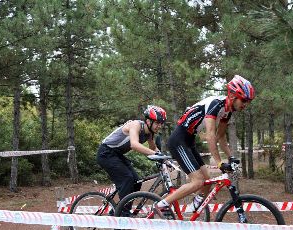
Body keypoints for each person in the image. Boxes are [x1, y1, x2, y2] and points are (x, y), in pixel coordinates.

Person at [153, 75, 255, 217]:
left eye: (248, 102)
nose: (245, 104)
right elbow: (210, 135)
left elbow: (221, 136)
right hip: (178, 140)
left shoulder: (227, 111)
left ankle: (191, 212)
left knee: (207, 182)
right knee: (198, 181)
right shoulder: (216, 104)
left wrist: (231, 157)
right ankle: (161, 205)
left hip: (189, 140)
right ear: (233, 96)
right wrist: (219, 162)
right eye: (244, 100)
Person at [97, 105, 167, 215]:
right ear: (148, 121)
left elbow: (153, 148)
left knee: (136, 182)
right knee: (127, 179)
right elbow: (134, 145)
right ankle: (122, 213)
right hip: (106, 153)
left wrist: (166, 159)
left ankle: (118, 211)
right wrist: (156, 155)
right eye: (157, 123)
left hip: (117, 154)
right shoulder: (136, 125)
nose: (159, 126)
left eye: (161, 123)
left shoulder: (150, 133)